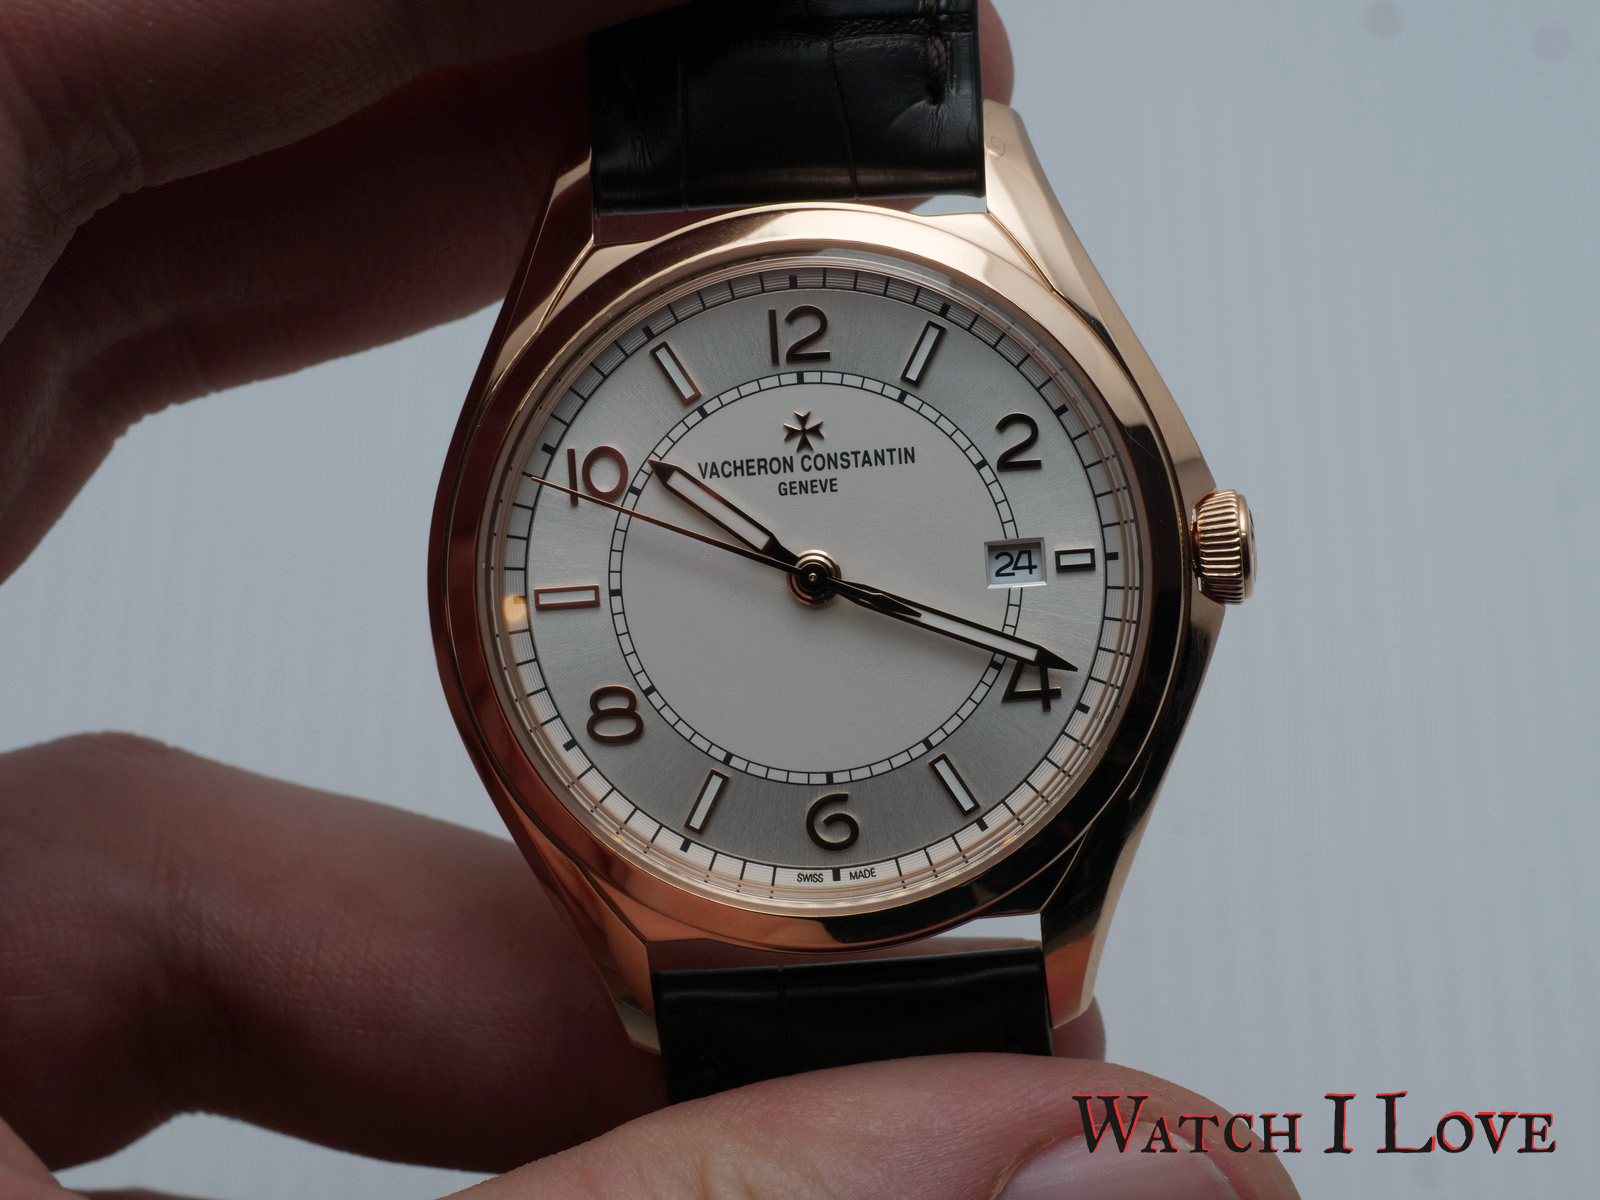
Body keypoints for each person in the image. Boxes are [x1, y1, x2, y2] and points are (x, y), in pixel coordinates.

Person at [0, 4, 1298, 1198]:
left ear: (1201, 553)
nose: (813, 578)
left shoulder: (937, 200)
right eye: (803, 576)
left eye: (813, 577)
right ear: (1212, 552)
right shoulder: (899, 209)